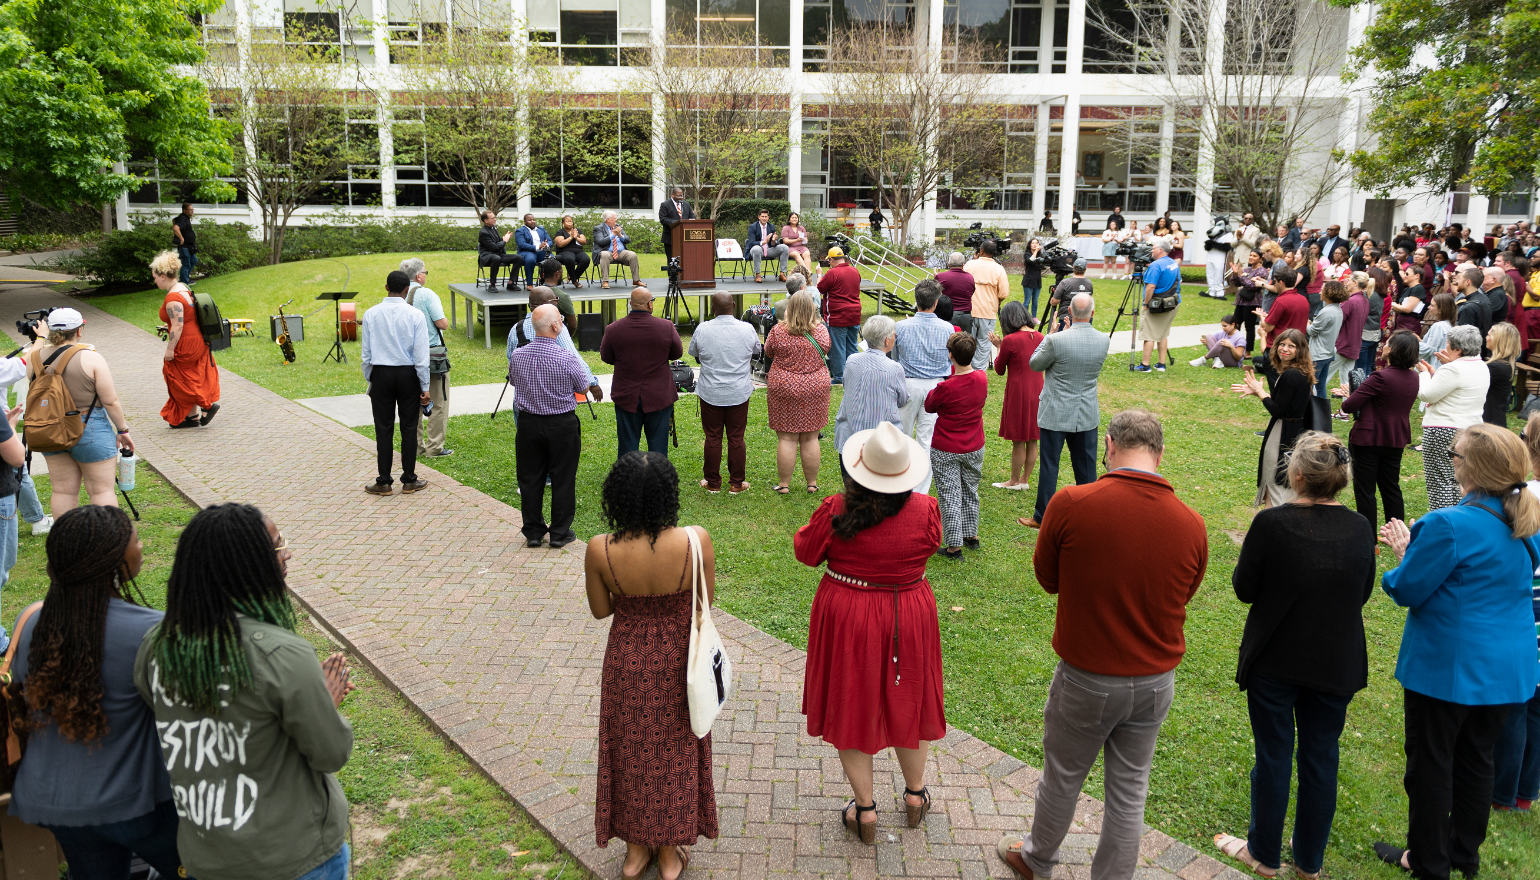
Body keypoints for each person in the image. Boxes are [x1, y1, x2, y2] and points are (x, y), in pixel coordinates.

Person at [998, 409, 1207, 880]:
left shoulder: (1072, 503)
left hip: (1087, 676)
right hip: (1155, 680)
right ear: (1160, 453)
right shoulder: (1191, 523)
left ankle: (1037, 859)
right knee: (1130, 790)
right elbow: (1185, 592)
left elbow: (1047, 578)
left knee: (1064, 776)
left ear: (1109, 445)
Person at [135, 503, 355, 880]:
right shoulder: (282, 654)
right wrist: (323, 703)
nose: (287, 554)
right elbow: (330, 753)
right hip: (293, 860)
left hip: (207, 857)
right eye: (276, 546)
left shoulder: (158, 646)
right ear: (244, 567)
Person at [1374, 425, 1540, 880]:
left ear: (1473, 467)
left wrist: (1406, 553)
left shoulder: (1448, 524)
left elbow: (1407, 588)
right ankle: (1463, 855)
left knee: (1430, 767)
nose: (1451, 459)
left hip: (1450, 669)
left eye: (1454, 453)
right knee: (1476, 761)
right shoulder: (1525, 518)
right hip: (1508, 668)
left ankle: (1429, 861)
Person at [1217, 432, 1374, 880]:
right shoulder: (1360, 527)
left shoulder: (1272, 524)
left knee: (1274, 753)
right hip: (1334, 659)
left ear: (1298, 474)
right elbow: (1359, 592)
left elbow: (1244, 587)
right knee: (1320, 756)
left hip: (1277, 657)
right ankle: (1309, 861)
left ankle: (1264, 853)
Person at [7, 506, 183, 880]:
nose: (142, 544)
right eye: (135, 540)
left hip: (55, 805)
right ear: (115, 560)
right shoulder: (151, 632)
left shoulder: (35, 620)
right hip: (133, 804)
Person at [796, 421, 943, 846]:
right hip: (908, 611)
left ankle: (865, 810)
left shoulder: (837, 509)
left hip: (849, 613)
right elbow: (930, 545)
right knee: (909, 700)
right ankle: (915, 798)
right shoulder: (926, 509)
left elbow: (806, 552)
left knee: (851, 703)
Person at [586, 452, 718, 880]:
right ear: (669, 495)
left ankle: (634, 852)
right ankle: (668, 855)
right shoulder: (696, 540)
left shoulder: (600, 549)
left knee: (628, 749)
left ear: (616, 498)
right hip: (681, 661)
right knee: (677, 749)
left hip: (627, 661)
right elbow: (706, 603)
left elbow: (601, 610)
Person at [27, 308, 133, 516]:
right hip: (88, 425)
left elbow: (32, 367)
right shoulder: (90, 357)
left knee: (62, 491)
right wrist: (122, 429)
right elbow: (110, 401)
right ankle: (107, 541)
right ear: (79, 330)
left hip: (50, 428)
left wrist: (39, 338)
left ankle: (66, 543)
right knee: (101, 490)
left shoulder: (34, 359)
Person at [1020, 293, 1110, 529]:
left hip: (1055, 411)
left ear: (1068, 312)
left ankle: (1042, 516)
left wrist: (1050, 335)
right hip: (1086, 411)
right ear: (1092, 313)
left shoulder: (1056, 341)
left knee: (1050, 464)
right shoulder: (1103, 339)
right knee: (1087, 467)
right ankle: (1089, 514)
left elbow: (1034, 363)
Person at [509, 304, 595, 548]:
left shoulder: (518, 355)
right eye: (561, 320)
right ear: (556, 325)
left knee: (529, 478)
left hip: (528, 424)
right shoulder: (566, 357)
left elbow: (514, 381)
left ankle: (534, 531)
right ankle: (559, 532)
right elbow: (582, 387)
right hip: (561, 423)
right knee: (563, 477)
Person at [1494, 416, 1540, 814]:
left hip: (1527, 605)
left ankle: (1502, 793)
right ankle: (1526, 792)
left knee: (1516, 706)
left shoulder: (1523, 496)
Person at [361, 270, 430, 495]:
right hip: (408, 374)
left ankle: (384, 481)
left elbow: (366, 354)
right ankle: (409, 478)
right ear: (407, 289)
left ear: (385, 287)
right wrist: (425, 386)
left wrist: (370, 377)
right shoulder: (415, 315)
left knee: (383, 428)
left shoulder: (371, 314)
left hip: (381, 373)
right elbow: (421, 356)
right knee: (409, 427)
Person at [1342, 331, 1419, 527]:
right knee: (1390, 486)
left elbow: (1348, 405)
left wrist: (1353, 393)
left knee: (1365, 489)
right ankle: (1395, 529)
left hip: (1369, 438)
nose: (1383, 346)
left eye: (1387, 344)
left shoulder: (1380, 377)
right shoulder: (1414, 378)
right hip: (1396, 437)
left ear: (1392, 350)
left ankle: (1369, 534)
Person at [1233, 328, 1313, 507]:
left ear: (1300, 349)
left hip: (1283, 432)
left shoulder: (1291, 375)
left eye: (1291, 346)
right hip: (1294, 432)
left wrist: (1261, 392)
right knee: (1284, 481)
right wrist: (1257, 393)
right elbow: (1286, 404)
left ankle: (1273, 522)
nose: (1284, 349)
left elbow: (1277, 411)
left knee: (1274, 479)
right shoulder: (1300, 371)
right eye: (1282, 344)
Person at [690, 292, 760, 494]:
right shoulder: (747, 329)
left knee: (713, 436)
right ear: (734, 305)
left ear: (712, 308)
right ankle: (736, 484)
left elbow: (694, 353)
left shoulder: (703, 329)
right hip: (738, 391)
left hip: (711, 390)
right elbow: (756, 351)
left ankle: (713, 482)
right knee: (736, 437)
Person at [925, 333, 987, 559]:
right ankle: (971, 535)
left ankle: (954, 545)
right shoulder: (981, 379)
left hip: (946, 447)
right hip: (974, 444)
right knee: (970, 488)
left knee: (949, 494)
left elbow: (929, 406)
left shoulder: (946, 387)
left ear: (950, 355)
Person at [601, 287, 683, 456]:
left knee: (627, 446)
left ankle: (626, 480)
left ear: (631, 304)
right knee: (658, 446)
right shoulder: (666, 327)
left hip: (626, 395)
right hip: (659, 395)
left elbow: (607, 357)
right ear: (650, 305)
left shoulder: (613, 329)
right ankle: (659, 480)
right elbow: (677, 353)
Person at [1418, 325, 1489, 510]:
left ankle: (1442, 522)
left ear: (1458, 349)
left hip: (1443, 429)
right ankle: (1459, 518)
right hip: (1470, 430)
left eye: (1448, 344)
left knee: (1439, 482)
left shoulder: (1453, 369)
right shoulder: (1482, 366)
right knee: (1461, 481)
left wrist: (1424, 374)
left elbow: (1427, 394)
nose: (1446, 347)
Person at [765, 292, 831, 494]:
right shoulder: (821, 331)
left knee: (786, 438)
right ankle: (812, 483)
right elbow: (827, 350)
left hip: (784, 386)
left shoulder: (778, 331)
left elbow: (768, 351)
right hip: (815, 386)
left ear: (789, 309)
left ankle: (784, 484)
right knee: (810, 438)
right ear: (812, 309)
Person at [893, 279, 954, 494]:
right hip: (934, 385)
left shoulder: (901, 327)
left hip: (910, 384)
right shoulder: (946, 328)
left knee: (904, 434)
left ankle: (902, 483)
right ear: (936, 303)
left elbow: (895, 357)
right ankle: (919, 489)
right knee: (925, 438)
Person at [151, 250, 220, 428]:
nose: (154, 281)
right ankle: (191, 416)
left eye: (155, 277)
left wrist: (170, 349)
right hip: (197, 338)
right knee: (191, 375)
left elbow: (179, 325)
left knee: (177, 376)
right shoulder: (183, 288)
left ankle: (207, 405)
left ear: (164, 275)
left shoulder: (174, 297)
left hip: (186, 342)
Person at [401, 257, 452, 458]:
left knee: (412, 402)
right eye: (425, 272)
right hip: (432, 355)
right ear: (419, 275)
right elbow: (442, 323)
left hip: (407, 356)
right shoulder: (426, 294)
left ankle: (416, 446)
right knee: (438, 401)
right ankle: (434, 447)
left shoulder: (398, 295)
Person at [834, 315, 907, 455]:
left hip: (850, 437)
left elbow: (847, 386)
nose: (895, 336)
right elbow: (902, 400)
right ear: (887, 340)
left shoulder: (851, 360)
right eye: (893, 334)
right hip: (882, 442)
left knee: (851, 476)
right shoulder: (895, 368)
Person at [991, 301, 1043, 490]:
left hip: (1018, 391)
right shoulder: (1040, 336)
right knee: (1033, 438)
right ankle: (1025, 480)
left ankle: (1013, 480)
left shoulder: (1010, 340)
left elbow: (999, 369)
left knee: (1019, 439)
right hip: (1038, 390)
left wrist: (998, 347)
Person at [1131, 243, 1181, 373]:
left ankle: (1145, 365)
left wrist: (1146, 304)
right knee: (1162, 333)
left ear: (1160, 250)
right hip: (1171, 303)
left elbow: (1150, 287)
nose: (1151, 251)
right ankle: (1161, 364)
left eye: (1153, 249)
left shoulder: (1155, 266)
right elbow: (1179, 281)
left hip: (1157, 305)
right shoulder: (1173, 263)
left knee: (1149, 334)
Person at [818, 245, 863, 384]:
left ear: (831, 259)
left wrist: (820, 274)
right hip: (854, 314)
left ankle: (839, 377)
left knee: (837, 349)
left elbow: (820, 288)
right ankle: (854, 374)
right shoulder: (855, 271)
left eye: (829, 261)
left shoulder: (832, 273)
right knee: (852, 346)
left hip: (837, 316)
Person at [964, 239, 1010, 370]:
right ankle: (979, 372)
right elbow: (1004, 293)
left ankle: (967, 371)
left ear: (981, 251)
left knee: (967, 343)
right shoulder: (999, 269)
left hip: (970, 310)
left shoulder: (970, 265)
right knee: (984, 344)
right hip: (988, 312)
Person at [1306, 281, 1347, 398]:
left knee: (1309, 385)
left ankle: (1310, 411)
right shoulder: (1338, 309)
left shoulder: (1326, 311)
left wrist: (1306, 323)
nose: (1320, 292)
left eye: (1322, 290)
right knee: (1321, 386)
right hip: (1328, 353)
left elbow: (1312, 331)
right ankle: (1322, 412)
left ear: (1328, 293)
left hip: (1318, 355)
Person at [594, 211, 643, 289]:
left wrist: (620, 235)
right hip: (608, 251)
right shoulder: (598, 228)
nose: (616, 221)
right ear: (608, 220)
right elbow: (601, 242)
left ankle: (636, 280)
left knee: (632, 254)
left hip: (621, 252)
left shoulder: (618, 226)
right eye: (614, 219)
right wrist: (613, 235)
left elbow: (628, 240)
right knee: (604, 254)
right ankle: (605, 281)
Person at [1484, 322, 1520, 426]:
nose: (1486, 337)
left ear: (1499, 340)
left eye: (1489, 335)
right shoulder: (1506, 364)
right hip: (1496, 419)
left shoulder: (1496, 367)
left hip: (1489, 423)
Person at [478, 209, 521, 290]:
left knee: (518, 258)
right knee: (496, 258)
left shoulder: (494, 228)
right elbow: (494, 247)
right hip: (487, 256)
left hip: (498, 254)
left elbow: (497, 243)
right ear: (486, 220)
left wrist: (504, 238)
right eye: (492, 218)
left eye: (495, 217)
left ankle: (511, 283)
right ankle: (492, 284)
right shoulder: (483, 232)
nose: (495, 219)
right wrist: (504, 240)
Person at [1047, 260, 1095, 331]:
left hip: (1067, 319)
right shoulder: (1089, 283)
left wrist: (1052, 300)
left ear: (1073, 268)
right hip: (1086, 319)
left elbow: (1055, 301)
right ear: (1085, 269)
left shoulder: (1065, 283)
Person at [934, 252, 976, 332]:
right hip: (965, 315)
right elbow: (972, 292)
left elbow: (934, 293)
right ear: (963, 264)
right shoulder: (970, 277)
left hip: (946, 315)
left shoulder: (941, 276)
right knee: (965, 342)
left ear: (948, 264)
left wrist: (936, 277)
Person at [745, 209, 789, 282]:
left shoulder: (771, 226)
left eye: (766, 216)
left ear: (768, 217)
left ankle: (782, 273)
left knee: (785, 247)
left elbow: (773, 244)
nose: (764, 218)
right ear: (759, 217)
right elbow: (751, 243)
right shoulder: (753, 227)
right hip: (757, 249)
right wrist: (763, 242)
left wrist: (774, 240)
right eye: (762, 216)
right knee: (756, 249)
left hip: (769, 249)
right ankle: (758, 274)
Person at [513, 213, 553, 287]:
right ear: (525, 222)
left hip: (542, 251)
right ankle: (530, 284)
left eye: (533, 219)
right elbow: (522, 244)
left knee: (551, 259)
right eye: (530, 220)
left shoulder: (541, 230)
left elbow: (550, 241)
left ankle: (545, 281)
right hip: (527, 252)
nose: (532, 221)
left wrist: (546, 245)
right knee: (530, 259)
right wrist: (538, 246)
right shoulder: (520, 231)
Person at [1419, 293, 1456, 370]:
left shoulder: (1439, 326)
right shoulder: (1448, 325)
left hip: (1434, 366)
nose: (1429, 307)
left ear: (1441, 309)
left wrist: (1413, 343)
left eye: (1432, 305)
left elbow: (1430, 349)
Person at [552, 213, 590, 286]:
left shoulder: (577, 230)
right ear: (563, 223)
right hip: (564, 251)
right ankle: (574, 281)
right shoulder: (560, 232)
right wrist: (571, 237)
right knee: (570, 259)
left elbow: (584, 241)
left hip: (578, 251)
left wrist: (576, 237)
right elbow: (560, 244)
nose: (570, 223)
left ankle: (573, 276)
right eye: (567, 221)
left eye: (571, 221)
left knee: (586, 259)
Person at [658, 186, 694, 261]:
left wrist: (691, 222)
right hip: (670, 238)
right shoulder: (665, 205)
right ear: (673, 195)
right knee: (672, 261)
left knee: (685, 260)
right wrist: (677, 223)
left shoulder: (686, 204)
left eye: (682, 195)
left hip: (685, 238)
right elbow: (663, 219)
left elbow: (692, 216)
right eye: (679, 195)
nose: (681, 197)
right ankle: (672, 273)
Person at [781, 212, 815, 279]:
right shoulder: (786, 228)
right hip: (790, 247)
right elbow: (785, 241)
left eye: (796, 218)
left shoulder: (801, 228)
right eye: (792, 218)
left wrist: (804, 240)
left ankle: (807, 275)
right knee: (796, 254)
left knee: (807, 253)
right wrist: (797, 240)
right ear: (789, 219)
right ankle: (807, 272)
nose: (794, 219)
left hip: (801, 246)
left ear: (798, 219)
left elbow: (806, 240)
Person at [170, 203, 196, 285]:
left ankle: (185, 278)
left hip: (189, 246)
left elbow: (174, 220)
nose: (192, 211)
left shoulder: (184, 218)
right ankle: (184, 282)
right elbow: (175, 228)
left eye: (192, 209)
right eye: (190, 209)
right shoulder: (183, 218)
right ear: (184, 210)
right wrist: (181, 238)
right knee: (186, 263)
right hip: (184, 246)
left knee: (194, 260)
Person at [1021, 238, 1047, 316]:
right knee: (1027, 301)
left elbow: (1043, 265)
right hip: (1028, 281)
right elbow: (1030, 260)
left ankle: (1034, 317)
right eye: (1033, 243)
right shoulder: (1027, 254)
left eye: (1036, 243)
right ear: (1029, 244)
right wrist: (1036, 251)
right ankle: (1024, 317)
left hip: (1037, 281)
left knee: (1035, 301)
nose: (1035, 245)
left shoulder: (1040, 255)